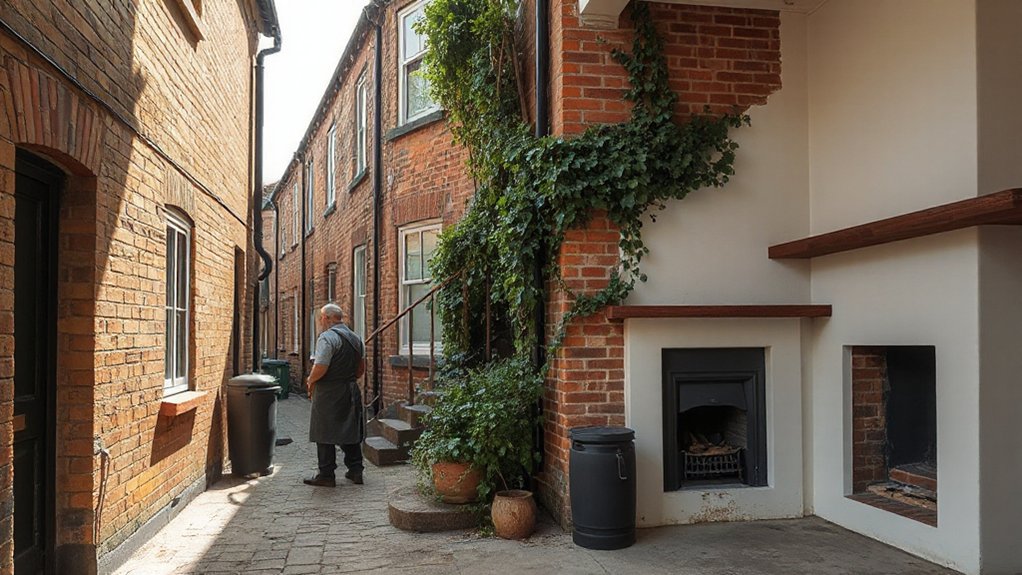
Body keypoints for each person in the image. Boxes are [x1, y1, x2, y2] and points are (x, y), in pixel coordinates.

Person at [304, 303, 366, 487]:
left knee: (323, 431)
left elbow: (321, 366)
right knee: (350, 429)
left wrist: (310, 380)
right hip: (350, 388)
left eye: (321, 317)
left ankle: (326, 474)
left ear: (326, 318)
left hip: (328, 392)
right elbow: (361, 369)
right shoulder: (356, 338)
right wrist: (348, 379)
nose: (321, 321)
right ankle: (356, 471)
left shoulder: (327, 338)